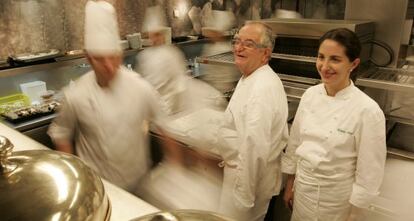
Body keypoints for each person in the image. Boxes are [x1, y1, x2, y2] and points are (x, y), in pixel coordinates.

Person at [48, 0, 168, 193]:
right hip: (97, 188)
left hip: (139, 186)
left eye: (113, 57)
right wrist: (74, 180)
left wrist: (176, 168)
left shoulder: (140, 87)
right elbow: (61, 134)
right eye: (100, 59)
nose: (109, 66)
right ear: (88, 57)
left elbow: (164, 125)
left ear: (120, 53)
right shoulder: (76, 94)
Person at [282, 28, 387, 221]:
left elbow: (369, 173)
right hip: (303, 191)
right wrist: (290, 184)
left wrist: (354, 215)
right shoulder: (310, 95)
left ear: (353, 64)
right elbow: (295, 144)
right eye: (321, 57)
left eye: (335, 59)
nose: (324, 66)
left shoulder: (367, 110)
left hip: (337, 203)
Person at [216, 22, 289, 221]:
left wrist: (242, 196)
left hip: (247, 181)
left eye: (248, 44)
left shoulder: (262, 88)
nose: (238, 48)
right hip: (241, 173)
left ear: (265, 54)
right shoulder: (251, 76)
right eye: (237, 41)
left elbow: (254, 148)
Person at [199, 10, 240, 95]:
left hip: (222, 91)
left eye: (212, 32)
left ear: (219, 33)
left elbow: (234, 76)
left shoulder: (225, 49)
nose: (209, 35)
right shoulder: (210, 47)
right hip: (211, 90)